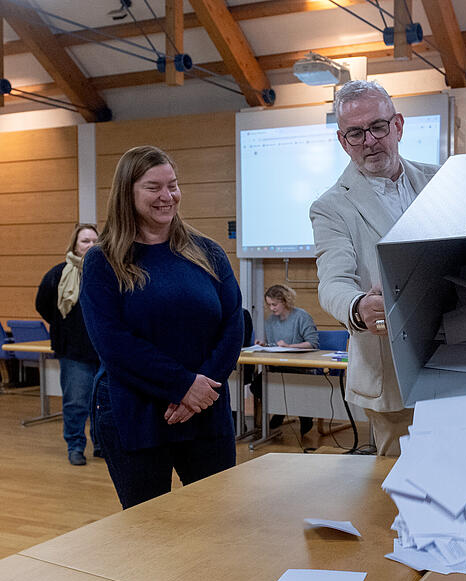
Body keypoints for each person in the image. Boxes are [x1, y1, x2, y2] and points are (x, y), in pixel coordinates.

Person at [80, 145, 243, 509]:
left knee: (217, 522)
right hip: (134, 413)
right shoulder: (102, 261)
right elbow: (113, 343)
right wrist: (183, 385)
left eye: (173, 185)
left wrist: (200, 390)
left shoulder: (207, 251)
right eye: (154, 187)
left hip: (206, 408)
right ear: (128, 191)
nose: (167, 196)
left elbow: (233, 323)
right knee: (150, 533)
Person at [309, 80, 438, 456]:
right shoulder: (331, 206)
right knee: (401, 497)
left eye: (378, 127)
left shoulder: (442, 179)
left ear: (397, 125)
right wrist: (358, 307)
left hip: (459, 366)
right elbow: (333, 281)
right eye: (355, 133)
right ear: (342, 140)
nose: (368, 140)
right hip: (392, 377)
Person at [35, 223, 101, 466]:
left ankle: (102, 445)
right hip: (73, 352)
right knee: (76, 402)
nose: (91, 245)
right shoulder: (57, 274)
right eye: (85, 241)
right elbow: (43, 305)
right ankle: (75, 446)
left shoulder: (107, 271)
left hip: (104, 352)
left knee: (103, 403)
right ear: (74, 244)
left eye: (95, 241)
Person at [256, 284, 319, 435]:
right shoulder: (271, 321)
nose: (271, 308)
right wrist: (264, 345)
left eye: (274, 304)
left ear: (285, 301)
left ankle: (298, 415)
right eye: (269, 304)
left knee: (286, 381)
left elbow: (312, 344)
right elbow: (275, 345)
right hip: (279, 366)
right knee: (258, 384)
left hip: (300, 367)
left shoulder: (301, 316)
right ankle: (281, 410)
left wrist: (290, 346)